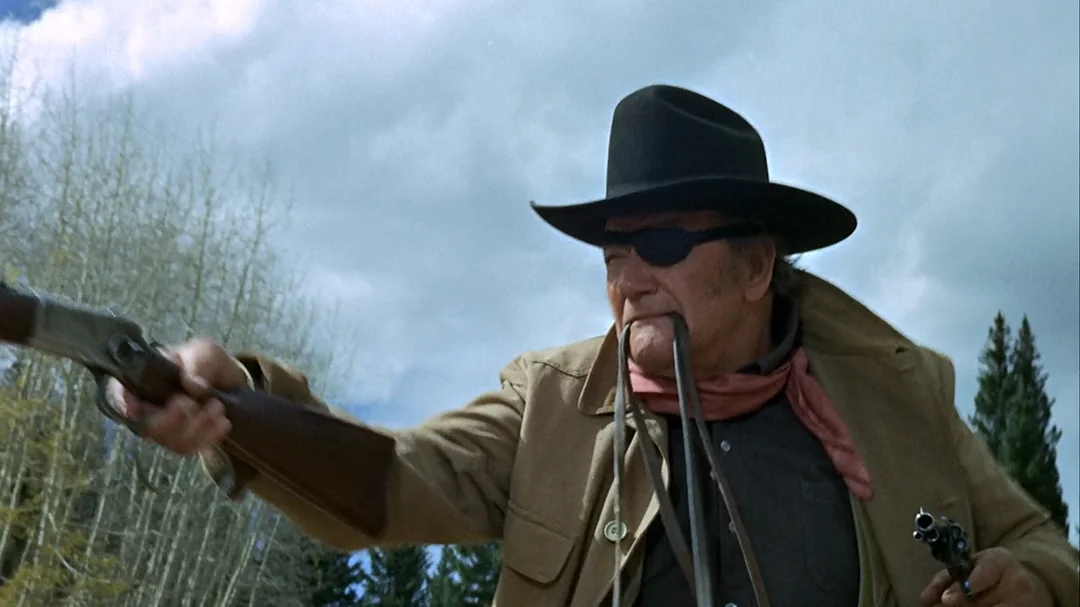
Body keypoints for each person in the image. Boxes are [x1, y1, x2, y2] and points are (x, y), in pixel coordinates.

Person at [108, 84, 1079, 606]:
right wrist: (238, 402)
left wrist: (1028, 581)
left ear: (757, 266)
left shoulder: (904, 397)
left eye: (659, 244)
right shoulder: (550, 403)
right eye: (612, 251)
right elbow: (388, 484)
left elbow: (1040, 545)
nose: (626, 277)